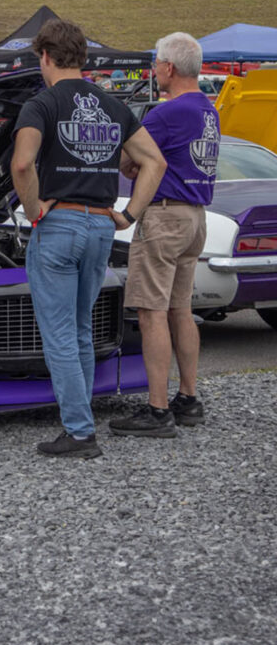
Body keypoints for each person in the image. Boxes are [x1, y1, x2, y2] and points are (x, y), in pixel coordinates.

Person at [10, 18, 166, 459]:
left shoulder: (42, 104)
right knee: (79, 329)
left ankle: (79, 432)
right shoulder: (113, 105)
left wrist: (34, 208)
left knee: (59, 333)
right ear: (83, 57)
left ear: (44, 56)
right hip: (101, 224)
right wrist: (129, 214)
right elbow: (154, 161)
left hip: (59, 224)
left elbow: (22, 164)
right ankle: (82, 421)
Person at [109, 32, 220, 438]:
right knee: (180, 308)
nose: (154, 70)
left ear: (169, 68)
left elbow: (127, 158)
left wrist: (134, 170)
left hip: (165, 217)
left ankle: (157, 409)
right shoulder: (208, 109)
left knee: (151, 310)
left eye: (156, 63)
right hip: (196, 217)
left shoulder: (165, 112)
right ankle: (188, 398)